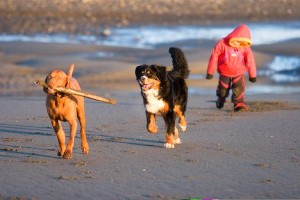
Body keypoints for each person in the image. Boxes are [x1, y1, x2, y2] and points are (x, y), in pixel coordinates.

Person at [206, 24, 257, 111]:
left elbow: (250, 61)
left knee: (238, 89)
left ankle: (239, 104)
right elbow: (214, 57)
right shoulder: (222, 43)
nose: (238, 44)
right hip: (224, 72)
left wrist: (252, 75)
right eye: (237, 41)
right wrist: (210, 72)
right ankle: (221, 99)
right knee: (223, 89)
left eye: (241, 42)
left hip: (239, 72)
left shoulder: (245, 47)